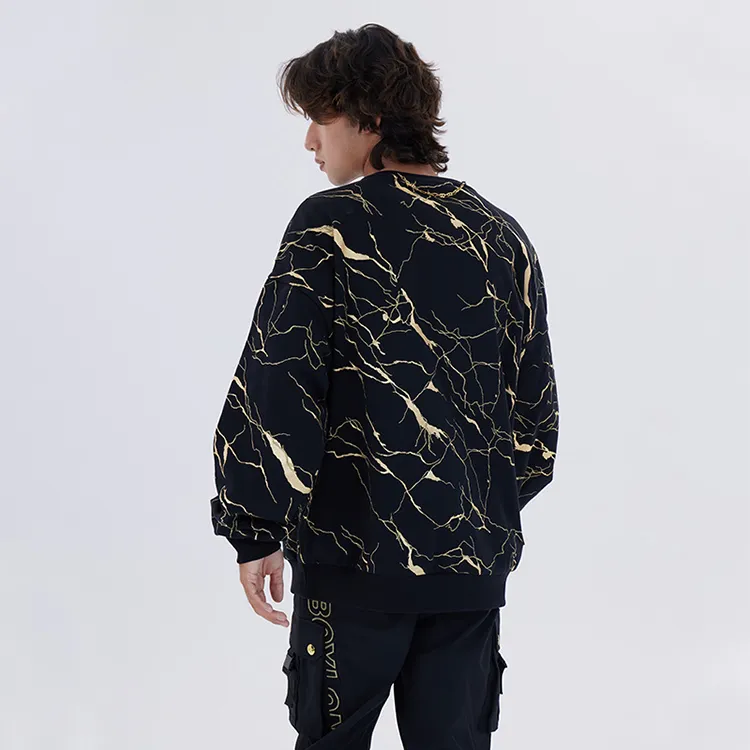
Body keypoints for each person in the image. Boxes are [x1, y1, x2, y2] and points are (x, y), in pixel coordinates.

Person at [209, 22, 559, 750]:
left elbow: (279, 387)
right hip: (470, 574)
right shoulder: (502, 237)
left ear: (368, 118)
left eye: (321, 117)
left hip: (351, 571)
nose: (311, 141)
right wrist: (469, 515)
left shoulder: (330, 227)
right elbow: (535, 422)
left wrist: (255, 527)